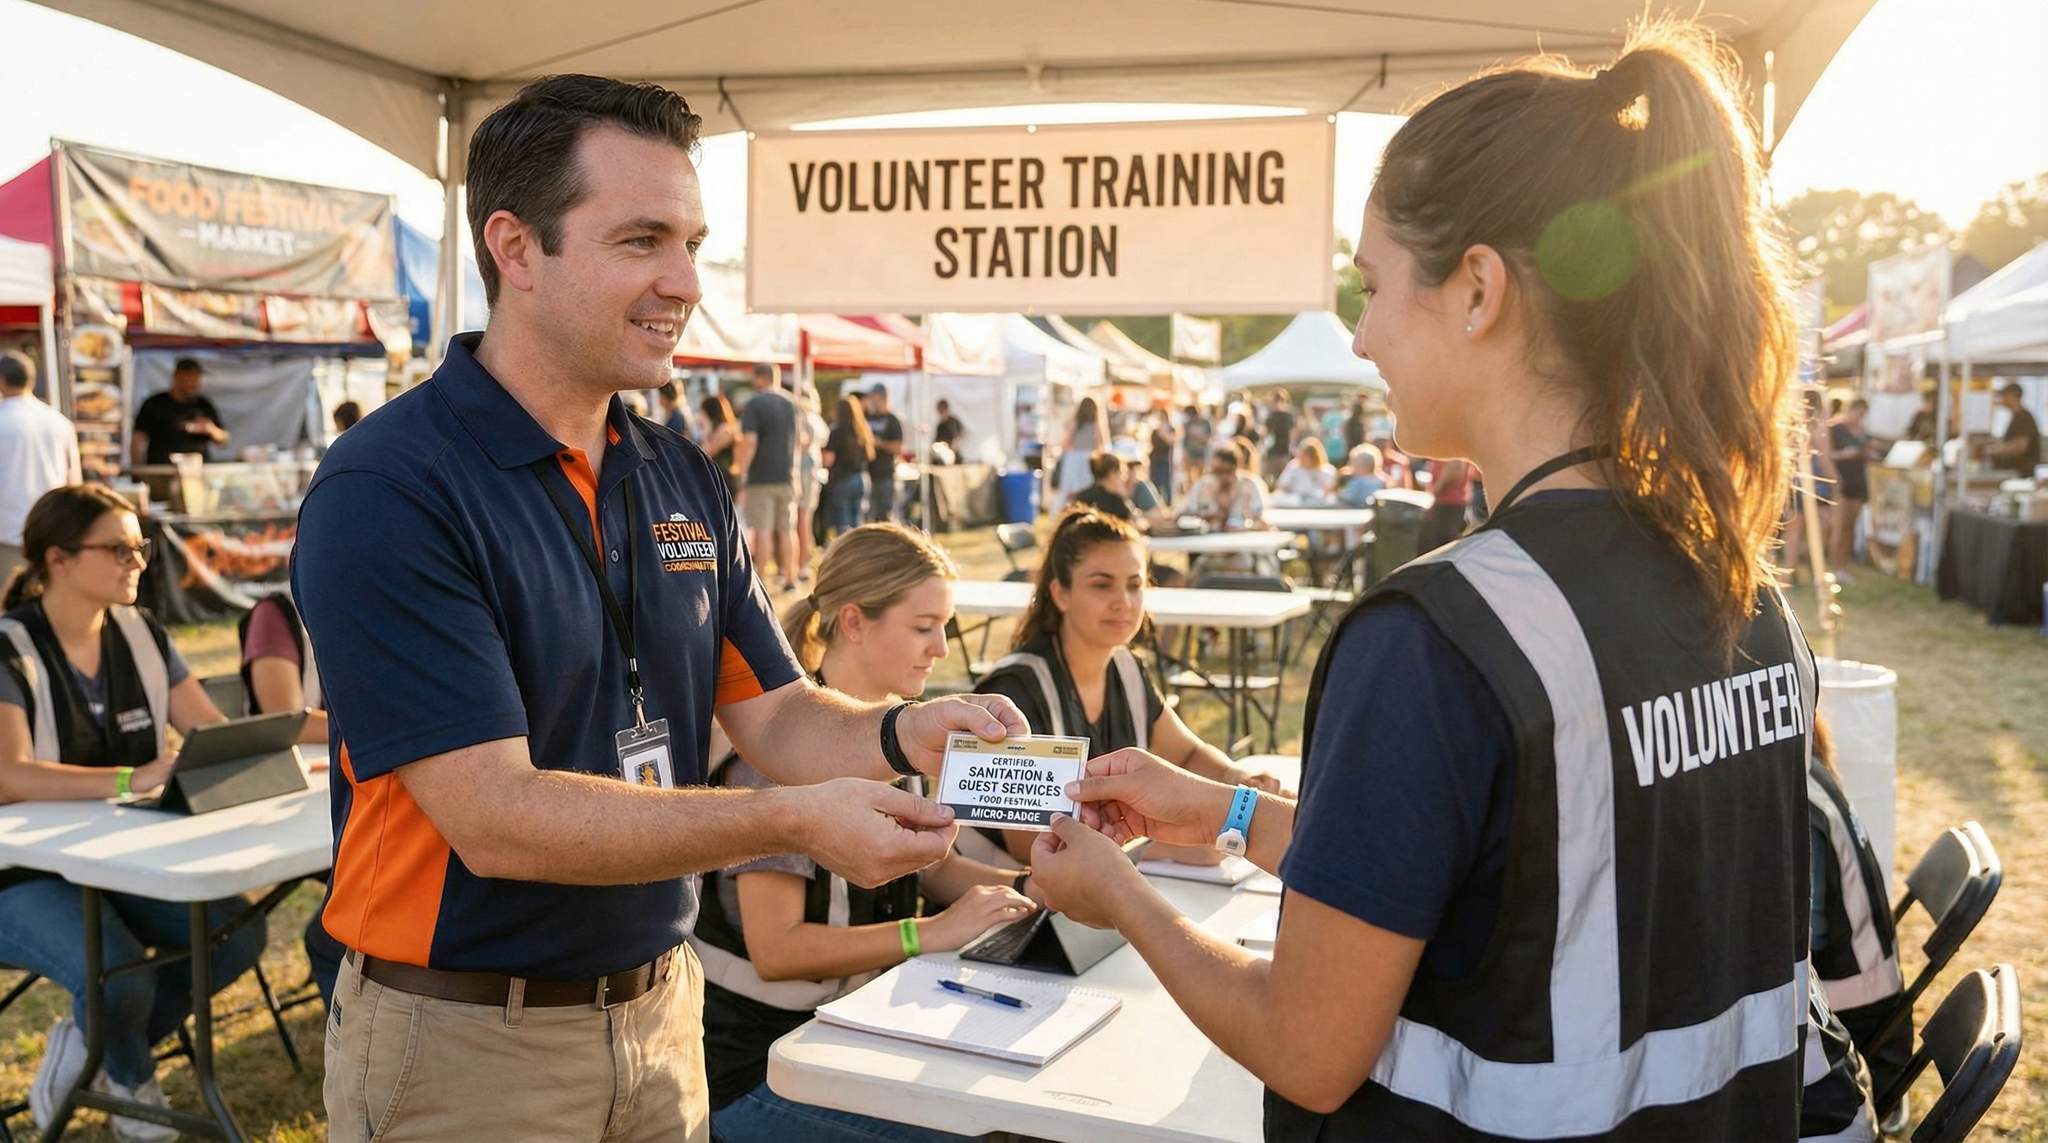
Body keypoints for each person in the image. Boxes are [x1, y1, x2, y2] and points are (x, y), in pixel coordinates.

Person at [1031, 24, 1818, 1138]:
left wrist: (1117, 894)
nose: (1356, 338)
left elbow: (1306, 1051)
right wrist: (1231, 812)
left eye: (1371, 286)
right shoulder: (1736, 583)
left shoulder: (1435, 638)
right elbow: (1504, 886)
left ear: (1476, 290)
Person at [292, 75, 1026, 1143]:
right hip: (465, 1045)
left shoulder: (676, 471)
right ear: (515, 248)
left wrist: (902, 732)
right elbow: (494, 818)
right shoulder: (394, 486)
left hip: (656, 1010)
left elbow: (774, 718)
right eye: (641, 240)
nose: (685, 281)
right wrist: (782, 821)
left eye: (691, 241)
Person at [695, 524, 1037, 1141]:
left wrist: (1039, 888)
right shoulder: (774, 756)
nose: (940, 647)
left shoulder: (892, 733)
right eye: (923, 625)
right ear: (853, 622)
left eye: (945, 626)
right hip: (760, 1068)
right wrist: (929, 933)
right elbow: (779, 950)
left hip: (846, 1038)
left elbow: (933, 865)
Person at [0, 483, 267, 1141]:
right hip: (20, 870)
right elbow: (8, 774)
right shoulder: (9, 647)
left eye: (140, 546)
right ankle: (128, 1079)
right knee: (117, 975)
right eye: (118, 548)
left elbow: (203, 731)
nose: (138, 561)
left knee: (238, 933)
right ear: (57, 559)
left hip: (124, 855)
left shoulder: (142, 630)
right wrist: (132, 775)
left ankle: (95, 1052)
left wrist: (248, 752)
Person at [970, 509, 1282, 870]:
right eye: (1102, 585)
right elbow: (1028, 843)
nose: (1124, 601)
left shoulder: (1127, 667)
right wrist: (1161, 846)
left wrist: (1238, 782)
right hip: (1016, 908)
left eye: (1135, 584)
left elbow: (1186, 754)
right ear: (1061, 594)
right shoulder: (1015, 689)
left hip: (1100, 890)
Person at [0, 351, 80, 578]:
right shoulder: (60, 423)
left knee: (7, 605)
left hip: (6, 531)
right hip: (50, 530)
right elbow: (73, 483)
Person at [735, 371, 800, 593]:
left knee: (761, 529)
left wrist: (742, 472)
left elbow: (750, 441)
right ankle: (791, 576)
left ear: (758, 379)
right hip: (788, 475)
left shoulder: (755, 404)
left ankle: (760, 580)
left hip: (761, 477)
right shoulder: (790, 403)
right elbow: (800, 440)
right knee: (787, 529)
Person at [130, 357, 228, 467]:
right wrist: (137, 470)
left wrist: (211, 429)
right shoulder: (155, 404)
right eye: (189, 379)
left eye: (196, 379)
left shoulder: (203, 405)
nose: (193, 384)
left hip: (197, 471)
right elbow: (138, 438)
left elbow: (223, 439)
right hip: (163, 470)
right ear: (176, 378)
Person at [1828, 399, 1874, 577]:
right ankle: (1834, 565)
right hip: (1841, 480)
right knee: (1839, 526)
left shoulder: (1863, 433)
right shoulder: (1836, 429)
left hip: (1858, 480)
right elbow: (1826, 454)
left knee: (1850, 526)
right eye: (1859, 413)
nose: (1860, 418)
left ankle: (1843, 566)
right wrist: (1843, 454)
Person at [821, 395, 875, 542]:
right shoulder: (863, 430)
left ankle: (846, 555)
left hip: (842, 479)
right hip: (861, 478)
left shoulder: (837, 431)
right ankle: (858, 554)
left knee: (843, 524)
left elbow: (828, 460)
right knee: (857, 522)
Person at [1177, 447, 1265, 531]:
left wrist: (1244, 527)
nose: (1222, 476)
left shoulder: (1248, 486)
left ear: (1235, 468)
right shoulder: (1203, 484)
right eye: (1217, 471)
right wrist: (1207, 517)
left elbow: (1261, 522)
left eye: (1227, 471)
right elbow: (1180, 514)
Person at [795, 386, 829, 581]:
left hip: (804, 471)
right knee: (805, 519)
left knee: (802, 519)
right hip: (813, 470)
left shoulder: (805, 418)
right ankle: (803, 564)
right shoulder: (817, 418)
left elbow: (803, 441)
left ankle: (802, 565)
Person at [1054, 396, 1109, 512]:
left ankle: (1064, 513)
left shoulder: (1076, 423)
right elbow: (1103, 445)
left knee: (1069, 491)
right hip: (1089, 460)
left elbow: (1065, 443)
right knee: (1086, 490)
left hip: (1073, 460)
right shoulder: (1096, 425)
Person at [1977, 382, 2042, 474]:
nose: (2002, 399)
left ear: (2013, 396)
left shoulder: (2024, 417)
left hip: (2022, 473)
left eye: (2005, 395)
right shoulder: (2016, 416)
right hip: (2014, 471)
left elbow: (2021, 446)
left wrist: (1993, 449)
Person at [862, 386, 906, 522]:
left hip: (885, 474)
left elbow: (898, 448)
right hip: (868, 473)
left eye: (873, 397)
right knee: (869, 516)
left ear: (881, 397)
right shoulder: (867, 417)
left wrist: (879, 443)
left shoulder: (892, 420)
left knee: (885, 515)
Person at [1419, 456, 1474, 549]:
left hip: (1449, 505)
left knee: (1443, 546)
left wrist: (1435, 491)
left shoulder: (1453, 449)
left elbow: (1455, 472)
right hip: (1445, 504)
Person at [1072, 451, 1138, 521]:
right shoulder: (1116, 504)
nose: (1123, 478)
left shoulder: (1081, 497)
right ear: (1112, 474)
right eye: (1120, 473)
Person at [1275, 438, 1338, 503]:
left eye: (1306, 456)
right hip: (1295, 501)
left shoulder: (1326, 470)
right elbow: (1281, 485)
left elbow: (1329, 489)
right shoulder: (1293, 467)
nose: (1302, 458)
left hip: (1317, 502)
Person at [698, 392, 740, 488]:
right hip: (715, 477)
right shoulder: (717, 429)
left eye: (702, 411)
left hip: (725, 479)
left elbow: (707, 452)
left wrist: (706, 428)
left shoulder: (725, 430)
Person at [1180, 403, 1214, 493]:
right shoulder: (1187, 424)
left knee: (1201, 476)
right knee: (1189, 477)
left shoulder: (1205, 422)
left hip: (1201, 453)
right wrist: (1184, 453)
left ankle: (1200, 493)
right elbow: (1185, 440)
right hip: (1190, 453)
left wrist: (1197, 434)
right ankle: (1191, 494)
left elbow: (1209, 438)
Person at [1262, 393, 1297, 480]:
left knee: (1281, 478)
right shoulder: (1275, 416)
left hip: (1282, 452)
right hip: (1275, 452)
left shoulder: (1284, 416)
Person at [933, 398, 964, 463]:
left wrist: (957, 441)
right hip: (943, 455)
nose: (940, 414)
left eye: (941, 411)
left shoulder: (953, 422)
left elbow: (962, 432)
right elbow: (937, 440)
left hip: (954, 455)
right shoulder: (940, 425)